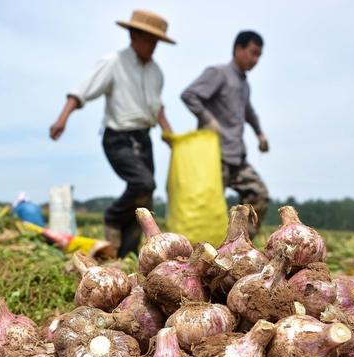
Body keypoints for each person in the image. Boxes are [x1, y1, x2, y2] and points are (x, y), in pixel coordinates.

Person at [49, 10, 175, 257]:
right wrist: (62, 119)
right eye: (149, 39)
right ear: (133, 35)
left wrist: (169, 133)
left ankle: (125, 256)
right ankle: (112, 215)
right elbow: (82, 90)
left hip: (143, 138)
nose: (153, 46)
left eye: (156, 41)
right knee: (143, 183)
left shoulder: (156, 72)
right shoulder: (114, 62)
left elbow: (157, 106)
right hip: (118, 137)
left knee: (145, 198)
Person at [181, 30, 269, 238]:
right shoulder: (218, 73)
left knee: (259, 195)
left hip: (236, 156)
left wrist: (260, 134)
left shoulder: (244, 83)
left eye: (259, 56)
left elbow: (249, 112)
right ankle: (199, 254)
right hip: (214, 157)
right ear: (239, 49)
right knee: (208, 209)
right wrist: (208, 120)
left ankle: (239, 246)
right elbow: (190, 95)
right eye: (253, 53)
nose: (255, 59)